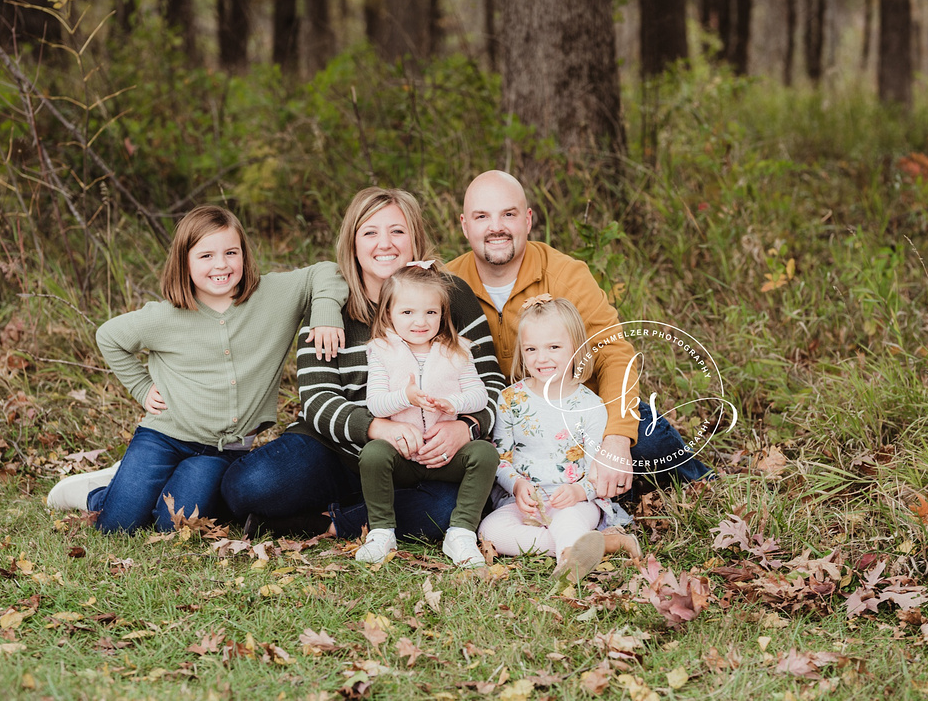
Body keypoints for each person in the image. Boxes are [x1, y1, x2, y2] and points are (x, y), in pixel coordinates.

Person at [220, 188, 507, 549]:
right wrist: (375, 427)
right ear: (353, 243)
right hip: (334, 451)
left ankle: (330, 521)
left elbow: (492, 379)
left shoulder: (449, 294)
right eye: (370, 232)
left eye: (397, 231)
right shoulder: (331, 303)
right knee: (249, 486)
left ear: (415, 238)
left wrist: (468, 426)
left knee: (450, 508)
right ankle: (355, 508)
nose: (384, 243)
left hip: (420, 459)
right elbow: (317, 397)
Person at [45, 205, 347, 533]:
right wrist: (141, 388)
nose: (221, 264)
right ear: (184, 262)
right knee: (117, 524)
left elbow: (327, 271)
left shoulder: (272, 296)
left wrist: (326, 313)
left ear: (244, 256)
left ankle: (140, 485)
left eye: (231, 252)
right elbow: (108, 337)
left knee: (171, 525)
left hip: (221, 451)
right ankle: (97, 493)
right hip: (163, 436)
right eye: (206, 256)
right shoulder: (164, 316)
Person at [446, 170, 712, 501]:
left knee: (645, 440)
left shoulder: (566, 275)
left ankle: (694, 485)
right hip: (505, 423)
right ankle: (602, 494)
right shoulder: (446, 286)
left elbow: (614, 352)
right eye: (482, 216)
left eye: (508, 214)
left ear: (527, 220)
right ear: (464, 225)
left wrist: (616, 439)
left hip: (579, 415)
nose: (496, 227)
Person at [479, 295, 637, 583]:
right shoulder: (510, 400)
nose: (542, 358)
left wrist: (579, 492)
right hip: (526, 504)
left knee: (568, 521)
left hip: (574, 503)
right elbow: (500, 458)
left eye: (554, 347)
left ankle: (569, 560)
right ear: (522, 353)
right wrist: (516, 485)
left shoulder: (590, 406)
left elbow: (596, 469)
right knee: (491, 531)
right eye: (531, 349)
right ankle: (601, 544)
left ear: (576, 348)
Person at [355, 261, 498, 565]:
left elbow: (480, 395)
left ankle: (461, 533)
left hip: (444, 455)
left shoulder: (456, 350)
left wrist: (454, 404)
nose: (420, 321)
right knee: (373, 454)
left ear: (442, 314)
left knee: (485, 454)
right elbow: (375, 404)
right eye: (408, 312)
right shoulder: (381, 351)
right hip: (403, 454)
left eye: (430, 312)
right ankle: (381, 532)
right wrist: (404, 397)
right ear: (389, 314)